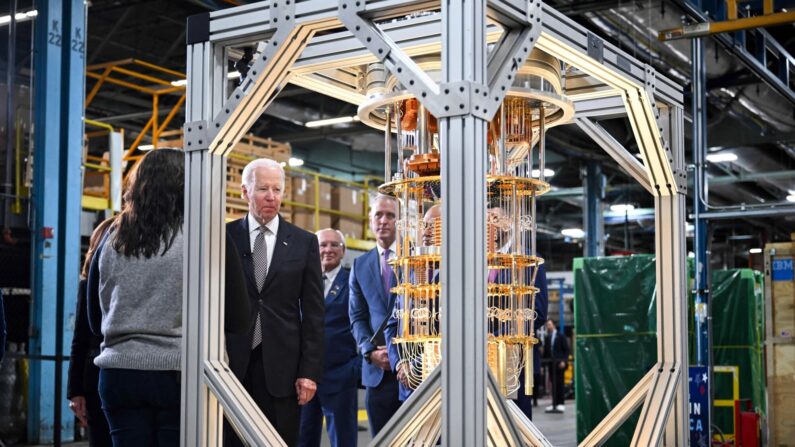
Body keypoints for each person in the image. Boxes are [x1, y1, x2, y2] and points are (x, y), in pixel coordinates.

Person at [86, 148, 252, 446]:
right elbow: (240, 318)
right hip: (181, 374)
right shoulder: (206, 234)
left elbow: (93, 318)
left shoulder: (111, 237)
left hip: (118, 374)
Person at [225, 158, 324, 447]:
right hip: (232, 365)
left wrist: (309, 372)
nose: (271, 196)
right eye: (263, 189)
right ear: (245, 192)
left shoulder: (303, 243)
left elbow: (314, 314)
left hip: (284, 371)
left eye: (277, 189)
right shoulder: (224, 237)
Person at [298, 229, 359, 447]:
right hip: (305, 377)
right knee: (304, 438)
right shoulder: (301, 280)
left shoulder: (353, 280)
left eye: (335, 245)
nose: (328, 250)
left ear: (343, 251)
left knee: (343, 440)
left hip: (340, 376)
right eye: (323, 245)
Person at [349, 194, 402, 436]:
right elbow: (357, 316)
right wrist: (369, 351)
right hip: (377, 372)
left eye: (390, 215)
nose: (384, 220)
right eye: (378, 215)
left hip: (411, 371)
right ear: (370, 220)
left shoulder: (417, 259)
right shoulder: (360, 265)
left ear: (400, 221)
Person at [386, 204, 441, 401]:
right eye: (424, 225)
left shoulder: (460, 275)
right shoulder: (411, 273)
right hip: (408, 387)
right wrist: (400, 363)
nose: (426, 232)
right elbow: (393, 324)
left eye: (434, 226)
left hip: (440, 384)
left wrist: (416, 366)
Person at [67, 217, 115, 447]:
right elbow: (81, 337)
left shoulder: (89, 284)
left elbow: (79, 340)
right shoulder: (88, 285)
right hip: (97, 376)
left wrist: (75, 392)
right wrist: (75, 391)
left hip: (96, 375)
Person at [544, 318, 569, 413]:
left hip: (559, 364)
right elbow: (546, 352)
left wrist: (564, 361)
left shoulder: (561, 336)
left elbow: (566, 350)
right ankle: (554, 403)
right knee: (553, 384)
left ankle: (561, 403)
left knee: (560, 383)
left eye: (549, 324)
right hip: (551, 364)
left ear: (553, 325)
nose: (548, 326)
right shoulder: (547, 337)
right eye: (547, 325)